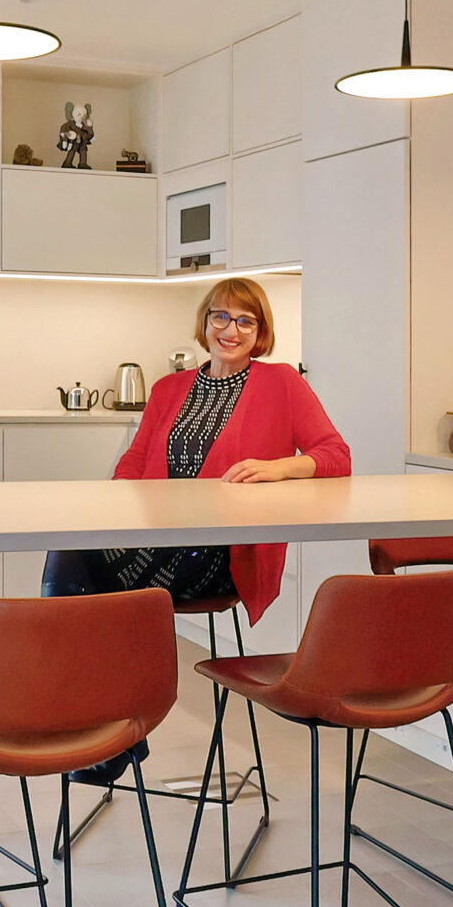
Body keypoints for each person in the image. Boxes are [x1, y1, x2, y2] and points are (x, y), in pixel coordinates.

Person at [44, 276, 350, 781]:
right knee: (73, 556)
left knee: (96, 586)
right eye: (221, 317)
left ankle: (103, 729)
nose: (230, 329)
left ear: (261, 331)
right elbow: (138, 457)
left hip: (221, 552)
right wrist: (115, 505)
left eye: (245, 320)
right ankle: (104, 726)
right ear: (205, 323)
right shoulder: (170, 388)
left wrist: (279, 467)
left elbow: (336, 455)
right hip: (154, 536)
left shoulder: (281, 384)